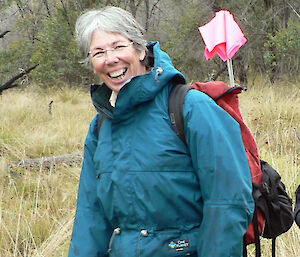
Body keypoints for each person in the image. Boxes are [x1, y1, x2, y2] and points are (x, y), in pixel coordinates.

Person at [68, 6, 254, 257]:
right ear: (91, 62)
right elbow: (90, 216)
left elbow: (228, 202)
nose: (110, 59)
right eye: (98, 52)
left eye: (119, 46)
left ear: (141, 49)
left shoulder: (189, 108)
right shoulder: (100, 127)